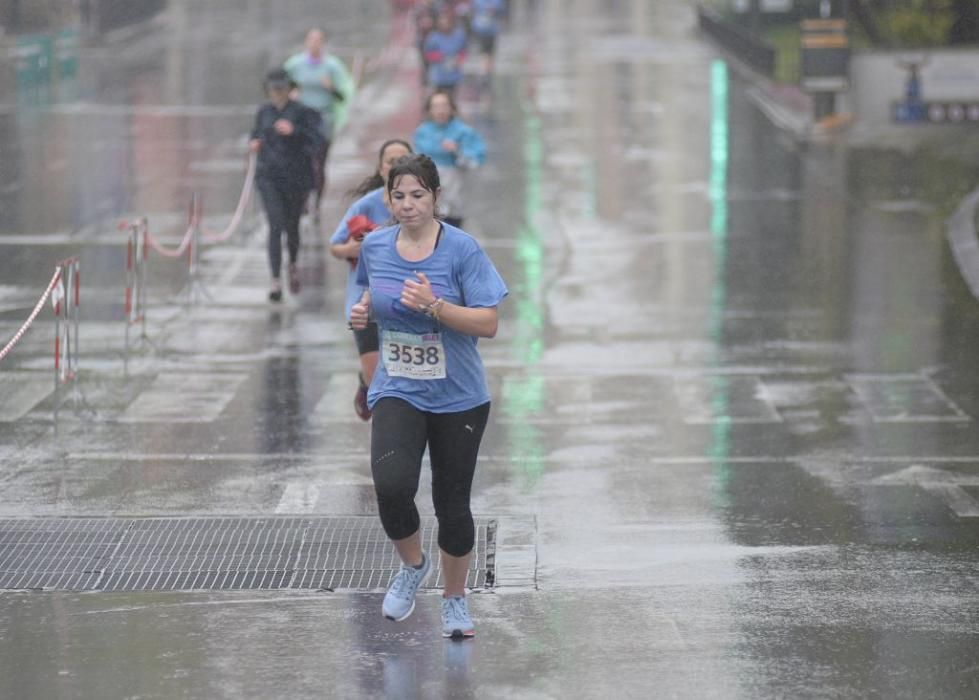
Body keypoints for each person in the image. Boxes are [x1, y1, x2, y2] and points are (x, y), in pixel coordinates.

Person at [349, 153, 507, 639]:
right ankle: (412, 564)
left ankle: (456, 600)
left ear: (436, 197)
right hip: (399, 387)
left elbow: (489, 322)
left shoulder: (461, 250)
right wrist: (362, 317)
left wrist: (436, 306)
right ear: (387, 199)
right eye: (398, 196)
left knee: (451, 503)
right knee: (392, 485)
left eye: (418, 195)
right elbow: (364, 299)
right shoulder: (375, 247)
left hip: (458, 395)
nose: (408, 204)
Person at [329, 138, 413, 421]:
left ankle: (398, 423)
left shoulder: (419, 205)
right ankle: (369, 389)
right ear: (380, 168)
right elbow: (335, 245)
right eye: (391, 161)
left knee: (401, 376)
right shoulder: (366, 205)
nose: (396, 166)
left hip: (406, 301)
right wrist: (352, 249)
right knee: (375, 371)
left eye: (403, 160)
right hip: (363, 302)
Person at [250, 68, 325, 301]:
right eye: (273, 90)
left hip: (295, 179)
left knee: (292, 226)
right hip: (268, 177)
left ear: (289, 90)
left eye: (281, 89)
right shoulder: (264, 112)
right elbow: (255, 134)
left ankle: (291, 262)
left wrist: (294, 132)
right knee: (275, 224)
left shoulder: (304, 113)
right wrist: (254, 142)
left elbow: (317, 141)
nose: (277, 94)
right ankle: (274, 280)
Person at [284, 28, 355, 214]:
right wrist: (290, 94)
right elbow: (280, 87)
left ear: (323, 43)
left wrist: (331, 88)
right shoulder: (295, 65)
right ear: (306, 42)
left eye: (318, 40)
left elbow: (343, 95)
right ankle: (304, 199)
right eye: (311, 40)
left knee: (319, 162)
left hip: (324, 119)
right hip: (301, 120)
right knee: (302, 160)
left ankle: (316, 202)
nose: (314, 44)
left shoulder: (333, 67)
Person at [413, 90, 485, 228]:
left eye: (444, 106)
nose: (440, 110)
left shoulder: (464, 133)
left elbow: (475, 162)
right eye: (435, 106)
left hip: (455, 200)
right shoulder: (422, 133)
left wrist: (457, 151)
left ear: (452, 108)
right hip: (429, 203)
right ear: (429, 110)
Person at [423, 10, 468, 96]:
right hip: (438, 75)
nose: (445, 25)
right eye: (442, 23)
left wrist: (459, 59)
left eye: (447, 23)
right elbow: (428, 54)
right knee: (439, 97)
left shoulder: (459, 36)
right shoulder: (433, 37)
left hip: (453, 74)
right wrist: (440, 57)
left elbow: (463, 51)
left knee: (452, 97)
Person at [468, 0, 505, 79]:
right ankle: (483, 71)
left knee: (490, 53)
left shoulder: (497, 2)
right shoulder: (477, 2)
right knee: (483, 52)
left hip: (492, 30)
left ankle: (488, 71)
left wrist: (495, 10)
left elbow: (502, 12)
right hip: (480, 29)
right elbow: (472, 10)